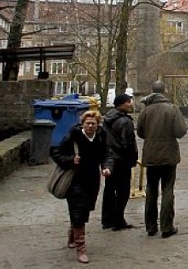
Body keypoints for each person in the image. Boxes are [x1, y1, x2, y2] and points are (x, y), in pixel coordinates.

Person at [51, 110, 113, 264]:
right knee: (78, 209)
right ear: (82, 123)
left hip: (92, 179)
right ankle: (81, 248)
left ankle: (73, 232)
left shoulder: (101, 135)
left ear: (97, 124)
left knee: (85, 209)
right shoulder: (74, 134)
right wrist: (71, 160)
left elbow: (107, 153)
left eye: (93, 123)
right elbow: (55, 152)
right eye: (87, 123)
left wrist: (106, 167)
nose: (90, 126)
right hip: (75, 179)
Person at [137, 80, 187, 238]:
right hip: (169, 155)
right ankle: (166, 226)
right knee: (167, 189)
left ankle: (151, 226)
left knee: (151, 190)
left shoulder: (146, 111)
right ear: (164, 91)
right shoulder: (173, 109)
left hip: (151, 155)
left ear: (152, 90)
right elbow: (180, 132)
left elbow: (140, 132)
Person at [101, 93, 138, 231]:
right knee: (123, 191)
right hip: (122, 160)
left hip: (109, 159)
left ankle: (107, 220)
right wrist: (132, 158)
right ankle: (118, 220)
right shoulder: (125, 121)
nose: (131, 104)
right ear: (121, 104)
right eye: (129, 102)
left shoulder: (108, 118)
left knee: (109, 189)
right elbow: (127, 143)